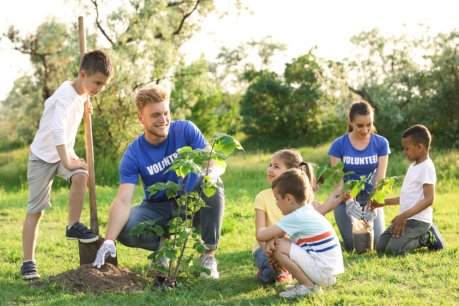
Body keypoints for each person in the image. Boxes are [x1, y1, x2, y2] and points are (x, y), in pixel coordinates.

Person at [92, 84, 225, 279]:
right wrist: (109, 240)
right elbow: (122, 200)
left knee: (213, 182)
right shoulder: (133, 153)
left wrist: (212, 173)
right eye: (155, 115)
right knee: (125, 227)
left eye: (165, 113)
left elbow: (214, 164)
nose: (163, 120)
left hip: (193, 204)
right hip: (159, 208)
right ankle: (163, 248)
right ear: (141, 118)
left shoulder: (185, 130)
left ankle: (208, 256)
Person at [20, 50, 114, 280]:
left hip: (63, 153)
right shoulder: (65, 95)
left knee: (82, 175)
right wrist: (67, 161)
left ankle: (72, 225)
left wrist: (85, 106)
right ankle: (28, 262)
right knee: (36, 211)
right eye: (97, 83)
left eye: (104, 85)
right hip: (43, 157)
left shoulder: (81, 91)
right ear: (82, 74)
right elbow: (57, 130)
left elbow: (78, 98)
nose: (100, 89)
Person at [254, 150, 347, 284]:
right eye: (270, 165)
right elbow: (267, 236)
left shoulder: (295, 216)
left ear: (288, 198)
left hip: (322, 271)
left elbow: (262, 234)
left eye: (277, 199)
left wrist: (271, 240)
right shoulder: (304, 209)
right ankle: (301, 281)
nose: (276, 203)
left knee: (279, 247)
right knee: (276, 254)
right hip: (327, 270)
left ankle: (308, 286)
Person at [372, 125, 445, 254]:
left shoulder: (427, 167)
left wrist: (403, 216)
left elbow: (429, 199)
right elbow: (407, 198)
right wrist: (382, 202)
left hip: (418, 222)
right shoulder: (413, 167)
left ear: (420, 147)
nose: (404, 152)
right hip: (406, 220)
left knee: (394, 250)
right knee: (380, 247)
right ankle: (420, 235)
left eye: (407, 149)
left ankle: (427, 237)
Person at [328, 100, 390, 250]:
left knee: (376, 245)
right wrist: (348, 201)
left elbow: (379, 179)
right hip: (346, 199)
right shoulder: (338, 145)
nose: (365, 129)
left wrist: (373, 204)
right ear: (350, 121)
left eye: (369, 124)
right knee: (353, 246)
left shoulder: (381, 143)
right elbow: (338, 180)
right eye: (360, 125)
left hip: (370, 196)